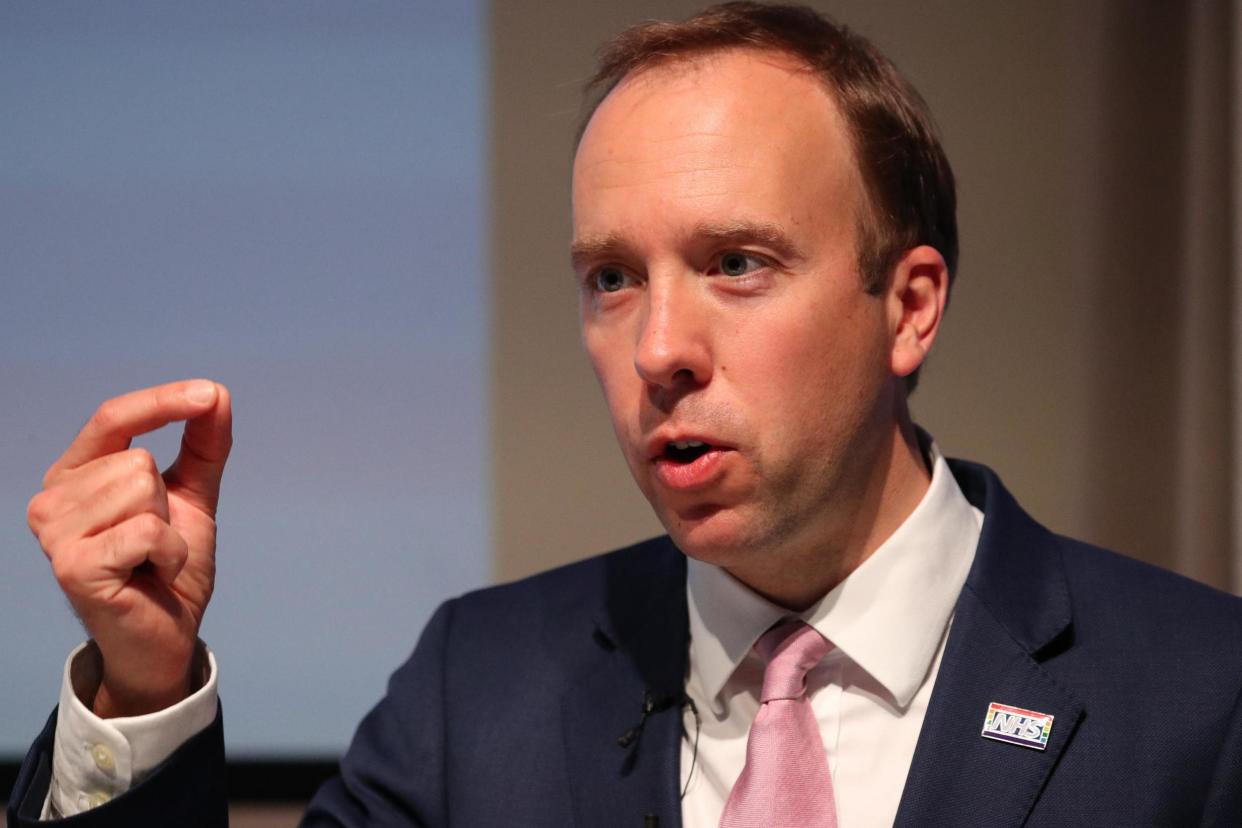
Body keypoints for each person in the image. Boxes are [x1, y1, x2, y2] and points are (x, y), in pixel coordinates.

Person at [9, 3, 1242, 826]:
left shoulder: (1200, 696)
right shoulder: (473, 692)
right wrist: (142, 683)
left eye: (738, 264)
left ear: (908, 308)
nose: (657, 349)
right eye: (613, 278)